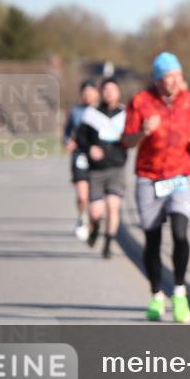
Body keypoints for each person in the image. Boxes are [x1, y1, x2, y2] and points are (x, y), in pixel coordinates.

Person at [123, 52, 190, 323]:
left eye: (177, 76)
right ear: (157, 79)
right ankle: (156, 294)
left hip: (182, 175)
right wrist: (143, 133)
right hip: (149, 177)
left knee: (180, 231)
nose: (174, 82)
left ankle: (180, 292)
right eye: (168, 77)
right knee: (152, 239)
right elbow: (126, 141)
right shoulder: (140, 102)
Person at [76, 78, 128, 258]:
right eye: (106, 90)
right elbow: (80, 138)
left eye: (113, 89)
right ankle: (95, 227)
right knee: (96, 211)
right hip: (96, 169)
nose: (109, 93)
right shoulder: (91, 114)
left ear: (119, 92)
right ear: (101, 92)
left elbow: (133, 138)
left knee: (113, 206)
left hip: (117, 167)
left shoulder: (125, 115)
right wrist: (90, 148)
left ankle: (108, 242)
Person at [63, 80, 99, 240]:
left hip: (98, 157)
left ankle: (94, 221)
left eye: (91, 91)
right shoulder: (75, 112)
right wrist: (67, 141)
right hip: (80, 155)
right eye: (85, 92)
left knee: (95, 195)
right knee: (82, 195)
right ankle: (82, 217)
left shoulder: (101, 111)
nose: (88, 95)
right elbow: (66, 132)